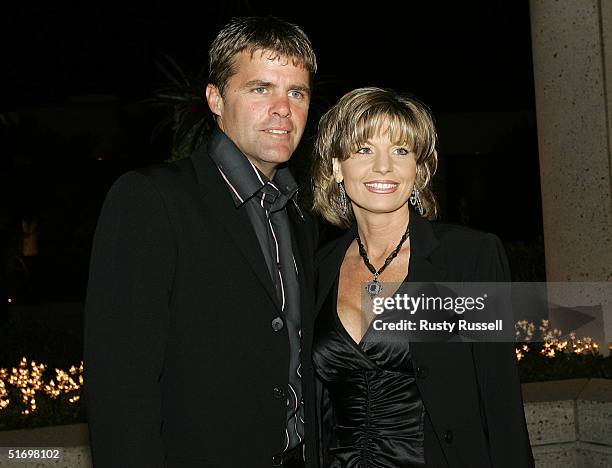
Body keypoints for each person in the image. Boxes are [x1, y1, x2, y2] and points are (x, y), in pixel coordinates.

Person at [84, 16, 319, 467]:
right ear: (215, 98)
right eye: (260, 88)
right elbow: (120, 384)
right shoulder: (152, 199)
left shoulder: (298, 215)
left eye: (297, 92)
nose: (282, 109)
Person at [311, 87, 534, 467]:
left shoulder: (468, 258)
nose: (384, 166)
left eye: (401, 151)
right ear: (335, 167)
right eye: (364, 149)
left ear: (419, 169)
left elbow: (501, 403)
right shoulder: (318, 267)